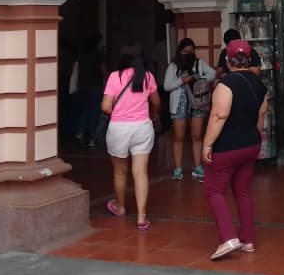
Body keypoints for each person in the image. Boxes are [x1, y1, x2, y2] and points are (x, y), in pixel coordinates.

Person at [201, 39, 268, 260]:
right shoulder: (259, 84)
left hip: (228, 146)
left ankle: (228, 237)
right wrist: (253, 133)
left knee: (213, 190)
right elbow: (261, 115)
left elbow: (218, 116)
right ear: (248, 59)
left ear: (228, 60)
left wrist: (207, 144)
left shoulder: (226, 85)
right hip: (251, 143)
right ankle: (248, 239)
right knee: (243, 191)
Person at [102, 55, 160, 228]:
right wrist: (153, 113)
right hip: (142, 127)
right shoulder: (148, 76)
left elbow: (105, 106)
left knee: (120, 172)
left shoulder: (114, 76)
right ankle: (142, 217)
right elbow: (156, 102)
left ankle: (120, 207)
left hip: (119, 128)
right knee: (140, 172)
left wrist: (118, 114)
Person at [163, 38, 216, 181]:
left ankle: (197, 167)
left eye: (191, 52)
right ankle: (178, 168)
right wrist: (182, 81)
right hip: (179, 104)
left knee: (197, 136)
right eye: (186, 52)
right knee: (178, 137)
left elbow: (212, 74)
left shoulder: (200, 63)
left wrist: (199, 77)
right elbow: (167, 86)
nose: (189, 54)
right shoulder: (173, 66)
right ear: (180, 51)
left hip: (197, 103)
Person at [73, 32, 105, 148]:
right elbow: (103, 70)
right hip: (95, 85)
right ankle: (92, 138)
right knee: (94, 112)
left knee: (85, 110)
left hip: (82, 86)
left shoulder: (81, 54)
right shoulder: (98, 54)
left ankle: (80, 132)